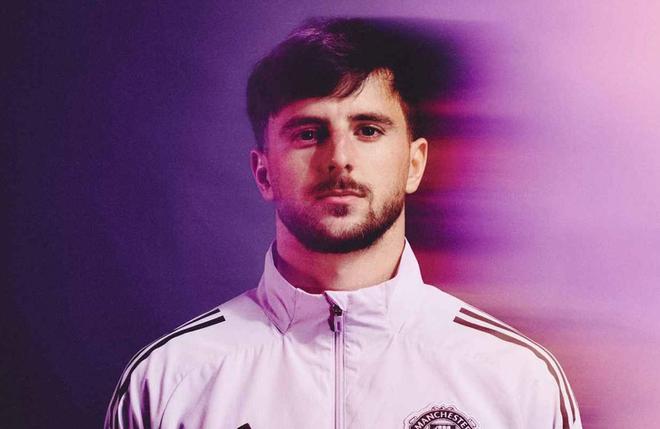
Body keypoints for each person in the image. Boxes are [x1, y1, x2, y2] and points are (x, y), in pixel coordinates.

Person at [105, 18, 582, 429]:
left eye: (368, 130)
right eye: (308, 133)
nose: (339, 158)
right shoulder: (169, 381)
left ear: (414, 164)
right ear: (263, 173)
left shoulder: (516, 380)